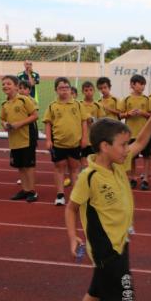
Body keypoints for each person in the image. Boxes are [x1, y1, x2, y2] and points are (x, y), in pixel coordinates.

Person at [64, 110, 151, 301]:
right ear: (105, 147)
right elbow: (71, 207)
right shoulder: (90, 176)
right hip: (106, 246)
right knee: (123, 293)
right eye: (122, 144)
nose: (127, 149)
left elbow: (141, 142)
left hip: (120, 240)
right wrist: (73, 236)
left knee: (98, 289)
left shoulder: (118, 164)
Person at [43, 77, 88, 206]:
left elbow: (84, 122)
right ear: (56, 90)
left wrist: (85, 138)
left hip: (75, 143)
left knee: (74, 169)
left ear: (70, 89)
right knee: (59, 168)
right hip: (58, 144)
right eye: (61, 88)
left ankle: (75, 196)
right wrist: (48, 140)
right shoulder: (52, 106)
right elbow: (48, 124)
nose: (64, 90)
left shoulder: (78, 105)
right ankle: (60, 194)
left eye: (67, 88)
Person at [0, 75, 39, 202]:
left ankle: (32, 191)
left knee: (28, 166)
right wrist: (5, 125)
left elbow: (35, 116)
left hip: (27, 137)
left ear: (16, 87)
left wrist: (19, 124)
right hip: (14, 139)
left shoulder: (24, 100)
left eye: (8, 83)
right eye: (4, 84)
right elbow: (3, 119)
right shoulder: (5, 104)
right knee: (20, 166)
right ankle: (25, 189)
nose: (5, 86)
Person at [118, 75, 151, 190]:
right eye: (140, 84)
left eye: (144, 84)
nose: (142, 86)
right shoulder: (127, 99)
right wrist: (128, 114)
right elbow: (119, 115)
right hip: (130, 134)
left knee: (147, 156)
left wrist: (142, 113)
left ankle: (146, 179)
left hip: (144, 133)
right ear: (133, 84)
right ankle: (132, 178)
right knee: (131, 157)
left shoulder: (147, 99)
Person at [80, 81, 105, 167]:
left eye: (91, 90)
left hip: (93, 139)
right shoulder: (79, 105)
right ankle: (83, 178)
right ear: (82, 92)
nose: (89, 92)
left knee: (94, 161)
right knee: (83, 160)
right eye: (86, 90)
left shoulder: (98, 105)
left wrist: (93, 119)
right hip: (82, 138)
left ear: (94, 91)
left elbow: (101, 121)